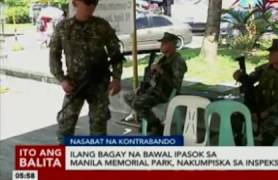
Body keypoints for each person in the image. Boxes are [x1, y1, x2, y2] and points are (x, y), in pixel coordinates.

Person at [49, 0, 123, 144]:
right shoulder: (64, 27)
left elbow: (116, 53)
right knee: (65, 125)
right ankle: (63, 159)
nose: (91, 5)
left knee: (99, 126)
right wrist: (62, 79)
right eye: (87, 1)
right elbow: (54, 55)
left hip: (99, 84)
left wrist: (117, 77)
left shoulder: (102, 26)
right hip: (75, 84)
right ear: (75, 2)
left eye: (94, 2)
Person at [233, 39, 278, 146]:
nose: (270, 54)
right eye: (270, 52)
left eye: (273, 52)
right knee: (236, 117)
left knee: (272, 126)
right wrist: (241, 77)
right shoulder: (264, 69)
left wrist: (266, 113)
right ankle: (238, 145)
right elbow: (250, 81)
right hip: (260, 105)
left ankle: (265, 154)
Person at [123, 32, 187, 135]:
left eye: (164, 43)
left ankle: (156, 126)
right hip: (154, 90)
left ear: (172, 45)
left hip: (164, 94)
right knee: (128, 96)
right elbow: (155, 79)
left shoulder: (178, 61)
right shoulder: (164, 59)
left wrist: (161, 71)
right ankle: (149, 122)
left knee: (137, 103)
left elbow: (176, 84)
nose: (161, 45)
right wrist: (143, 86)